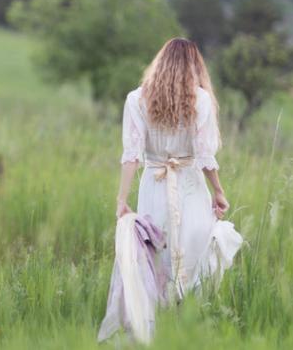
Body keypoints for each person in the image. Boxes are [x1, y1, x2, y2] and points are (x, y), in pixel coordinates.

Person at [99, 38, 243, 344]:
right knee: (193, 251)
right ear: (194, 66)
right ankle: (185, 326)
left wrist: (122, 200)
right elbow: (204, 156)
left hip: (154, 184)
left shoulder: (136, 99)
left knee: (155, 254)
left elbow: (132, 156)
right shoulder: (201, 100)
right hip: (190, 185)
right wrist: (218, 191)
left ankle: (159, 329)